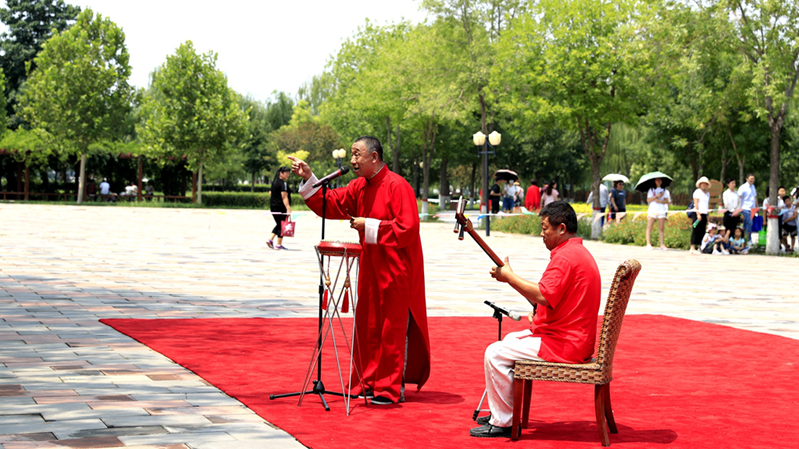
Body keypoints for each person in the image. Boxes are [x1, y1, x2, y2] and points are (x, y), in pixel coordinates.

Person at [289, 136, 431, 406]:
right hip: (369, 266)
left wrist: (371, 226)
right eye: (352, 155)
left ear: (374, 157)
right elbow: (330, 202)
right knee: (366, 326)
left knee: (391, 329)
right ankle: (367, 382)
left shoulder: (398, 186)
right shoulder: (359, 186)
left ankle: (389, 389)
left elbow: (409, 228)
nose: (352, 160)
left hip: (397, 269)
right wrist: (309, 177)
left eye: (357, 154)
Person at [470, 201, 601, 438]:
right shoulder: (575, 252)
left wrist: (510, 277)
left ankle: (504, 421)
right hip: (574, 338)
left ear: (561, 228)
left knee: (495, 352)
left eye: (544, 228)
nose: (541, 234)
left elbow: (542, 294)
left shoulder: (566, 257)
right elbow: (551, 298)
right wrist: (539, 311)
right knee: (509, 340)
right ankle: (506, 412)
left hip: (566, 344)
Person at [267, 167, 292, 250]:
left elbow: (270, 193)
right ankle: (278, 244)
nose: (288, 175)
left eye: (288, 173)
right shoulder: (282, 183)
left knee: (279, 224)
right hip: (281, 207)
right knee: (282, 225)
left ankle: (270, 239)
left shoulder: (274, 182)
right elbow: (284, 197)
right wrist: (288, 208)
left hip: (273, 206)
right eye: (286, 173)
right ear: (281, 173)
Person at [645, 177, 671, 250]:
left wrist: (660, 200)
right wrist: (656, 196)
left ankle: (662, 244)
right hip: (653, 209)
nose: (659, 181)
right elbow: (648, 200)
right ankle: (648, 243)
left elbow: (666, 201)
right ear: (655, 181)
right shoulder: (651, 190)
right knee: (649, 226)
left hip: (661, 209)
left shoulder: (664, 190)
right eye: (657, 180)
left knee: (661, 228)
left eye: (660, 180)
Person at [690, 176, 711, 254]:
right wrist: (698, 213)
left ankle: (700, 246)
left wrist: (708, 215)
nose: (704, 185)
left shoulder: (707, 193)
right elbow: (696, 203)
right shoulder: (697, 192)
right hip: (697, 213)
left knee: (702, 230)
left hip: (704, 213)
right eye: (703, 183)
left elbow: (707, 204)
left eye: (705, 184)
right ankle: (692, 247)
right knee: (695, 229)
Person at [737, 173, 757, 242]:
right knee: (750, 222)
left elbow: (755, 197)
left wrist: (756, 207)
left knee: (745, 224)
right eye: (751, 178)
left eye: (753, 178)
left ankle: (742, 239)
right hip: (745, 208)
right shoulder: (743, 187)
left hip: (752, 209)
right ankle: (749, 239)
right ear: (747, 179)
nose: (752, 180)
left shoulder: (753, 187)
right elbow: (739, 197)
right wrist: (738, 208)